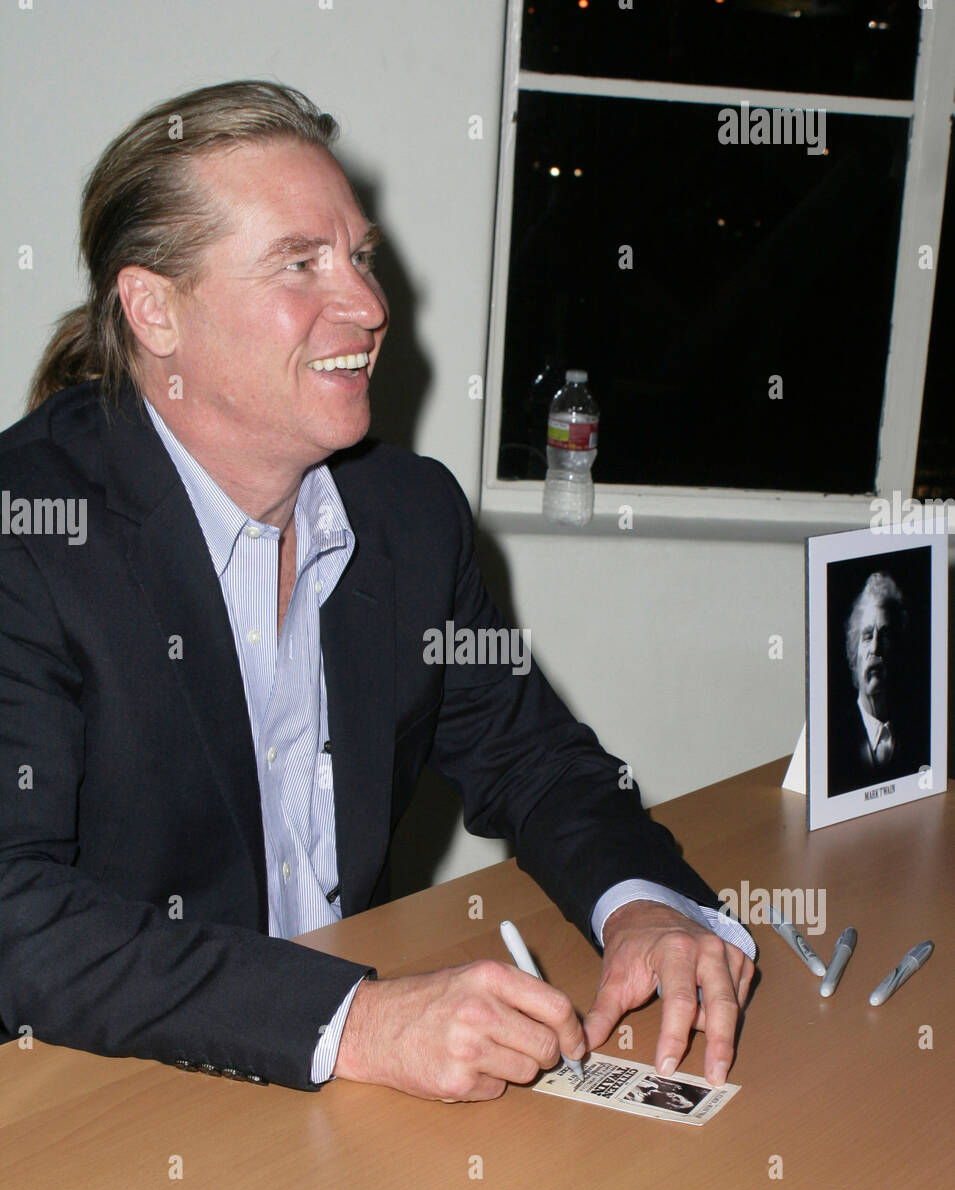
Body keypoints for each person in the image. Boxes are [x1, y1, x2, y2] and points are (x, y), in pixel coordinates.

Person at [0, 81, 754, 1102]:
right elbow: (16, 910)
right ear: (155, 310)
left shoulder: (408, 514)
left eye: (357, 255)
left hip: (343, 1094)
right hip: (102, 1094)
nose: (367, 304)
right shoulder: (29, 537)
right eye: (300, 264)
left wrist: (644, 902)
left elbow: (533, 759)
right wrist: (351, 1017)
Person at [828, 570, 925, 796]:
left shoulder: (919, 734)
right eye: (867, 636)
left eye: (885, 635)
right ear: (854, 654)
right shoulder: (833, 740)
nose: (875, 648)